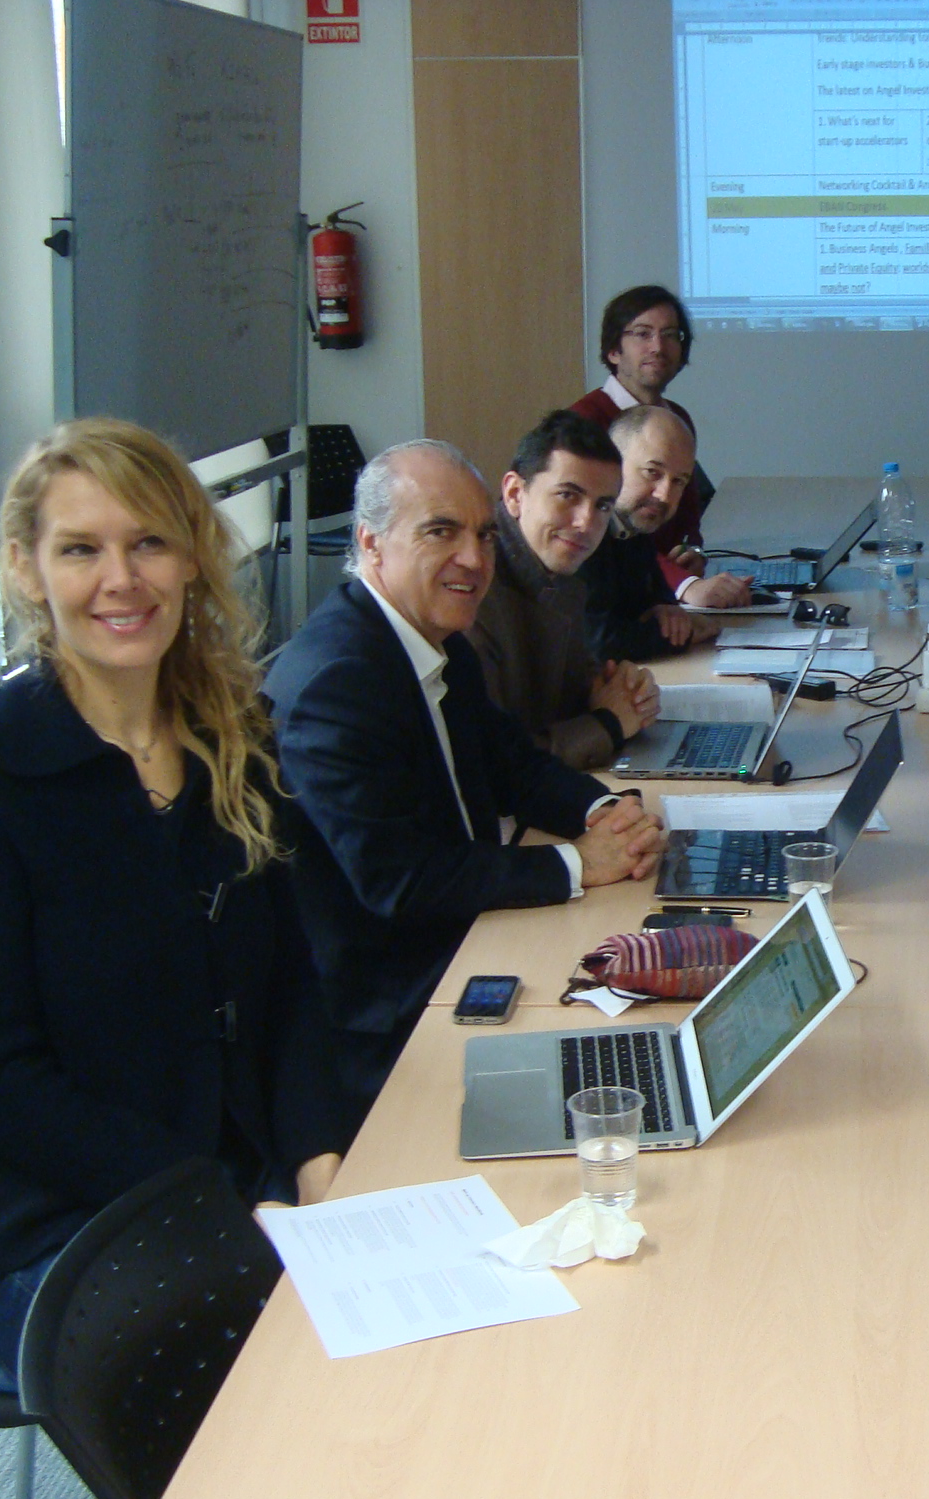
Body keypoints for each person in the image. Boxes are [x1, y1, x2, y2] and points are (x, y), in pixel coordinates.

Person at [0, 418, 346, 1369]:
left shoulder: (235, 733)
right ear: (27, 569)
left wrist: (320, 1162)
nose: (123, 579)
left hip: (253, 1180)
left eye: (149, 541)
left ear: (191, 557)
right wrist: (215, 1203)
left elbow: (291, 987)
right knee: (291, 1383)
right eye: (81, 549)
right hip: (75, 1224)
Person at [263, 440, 667, 1130]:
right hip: (398, 1014)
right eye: (440, 532)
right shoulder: (336, 682)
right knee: (624, 1074)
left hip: (468, 942)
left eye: (482, 535)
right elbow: (402, 882)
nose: (475, 560)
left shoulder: (433, 638)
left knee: (654, 996)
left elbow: (514, 764)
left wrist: (608, 811)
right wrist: (576, 862)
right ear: (371, 543)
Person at [471, 410, 659, 769]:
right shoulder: (473, 593)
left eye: (602, 505)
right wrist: (609, 724)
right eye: (567, 495)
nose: (586, 522)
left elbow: (574, 692)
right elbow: (494, 764)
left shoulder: (557, 571)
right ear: (514, 494)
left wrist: (623, 690)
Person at [571, 284, 748, 608]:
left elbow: (688, 516)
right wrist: (685, 585)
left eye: (670, 335)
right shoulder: (584, 422)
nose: (658, 346)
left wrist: (693, 552)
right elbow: (601, 533)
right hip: (608, 601)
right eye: (643, 334)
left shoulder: (677, 419)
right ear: (613, 350)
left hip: (660, 597)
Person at [579, 405, 721, 660]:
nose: (664, 495)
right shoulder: (581, 531)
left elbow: (656, 592)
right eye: (652, 473)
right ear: (613, 463)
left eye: (678, 481)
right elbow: (596, 643)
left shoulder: (634, 525)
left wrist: (665, 608)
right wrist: (682, 635)